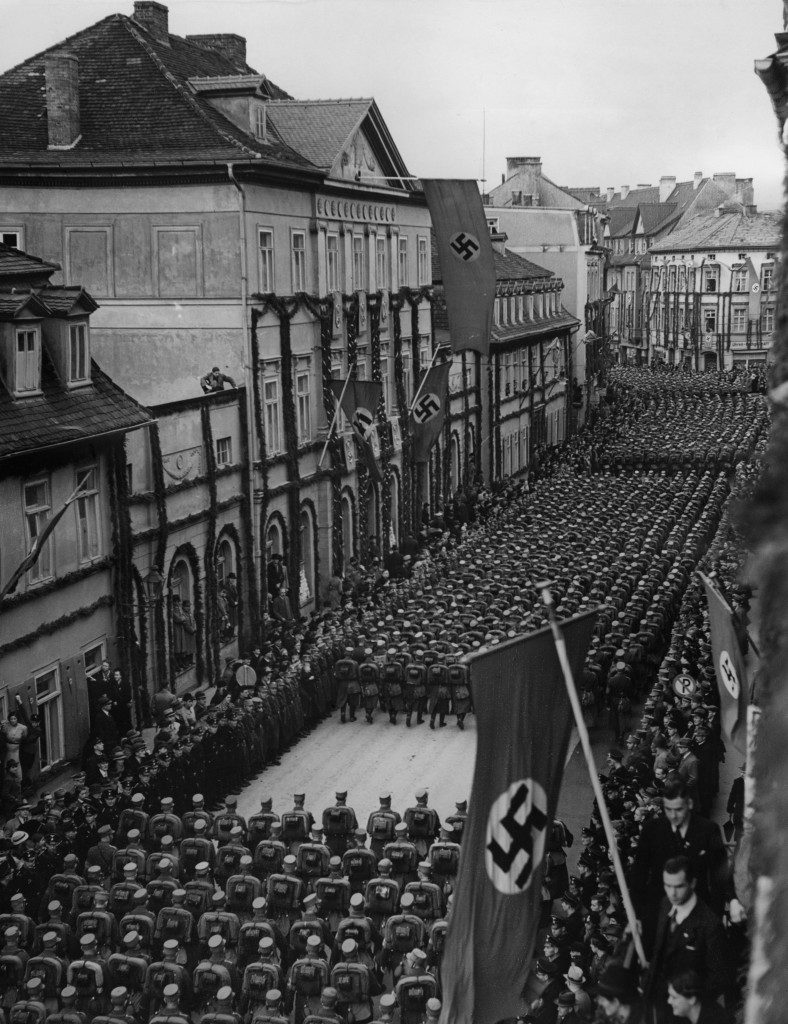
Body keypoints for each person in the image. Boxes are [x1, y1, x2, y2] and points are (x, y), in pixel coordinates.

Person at [642, 856, 729, 1017]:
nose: (672, 893)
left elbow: (719, 978)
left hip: (686, 1012)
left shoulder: (710, 925)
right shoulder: (665, 904)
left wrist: (688, 998)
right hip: (659, 1006)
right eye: (667, 886)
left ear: (693, 883)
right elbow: (660, 952)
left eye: (679, 886)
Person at [667, 969, 733, 1024]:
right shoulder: (699, 1014)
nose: (669, 1001)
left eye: (674, 997)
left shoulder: (716, 1020)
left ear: (692, 999)